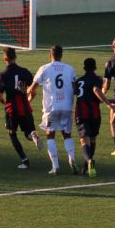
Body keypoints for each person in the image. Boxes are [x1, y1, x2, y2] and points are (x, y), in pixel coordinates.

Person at [28, 45, 77, 175]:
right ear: (62, 54)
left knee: (50, 135)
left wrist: (26, 93)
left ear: (50, 54)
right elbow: (75, 89)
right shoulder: (70, 69)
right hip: (67, 107)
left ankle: (55, 167)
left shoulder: (44, 68)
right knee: (67, 134)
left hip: (51, 108)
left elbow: (33, 88)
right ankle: (72, 159)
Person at [0, 47, 43, 169]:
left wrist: (6, 104)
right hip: (25, 107)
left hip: (12, 110)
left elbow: (0, 98)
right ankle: (33, 135)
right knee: (28, 133)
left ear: (5, 59)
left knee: (12, 134)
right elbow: (33, 92)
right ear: (15, 57)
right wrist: (27, 101)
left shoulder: (2, 76)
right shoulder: (25, 72)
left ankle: (25, 161)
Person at [75, 58, 115, 177]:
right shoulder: (98, 79)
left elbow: (94, 91)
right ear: (95, 67)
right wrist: (109, 102)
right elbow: (96, 92)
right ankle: (87, 165)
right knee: (92, 139)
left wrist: (108, 102)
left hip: (81, 114)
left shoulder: (79, 81)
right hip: (94, 114)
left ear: (84, 67)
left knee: (84, 140)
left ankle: (88, 161)